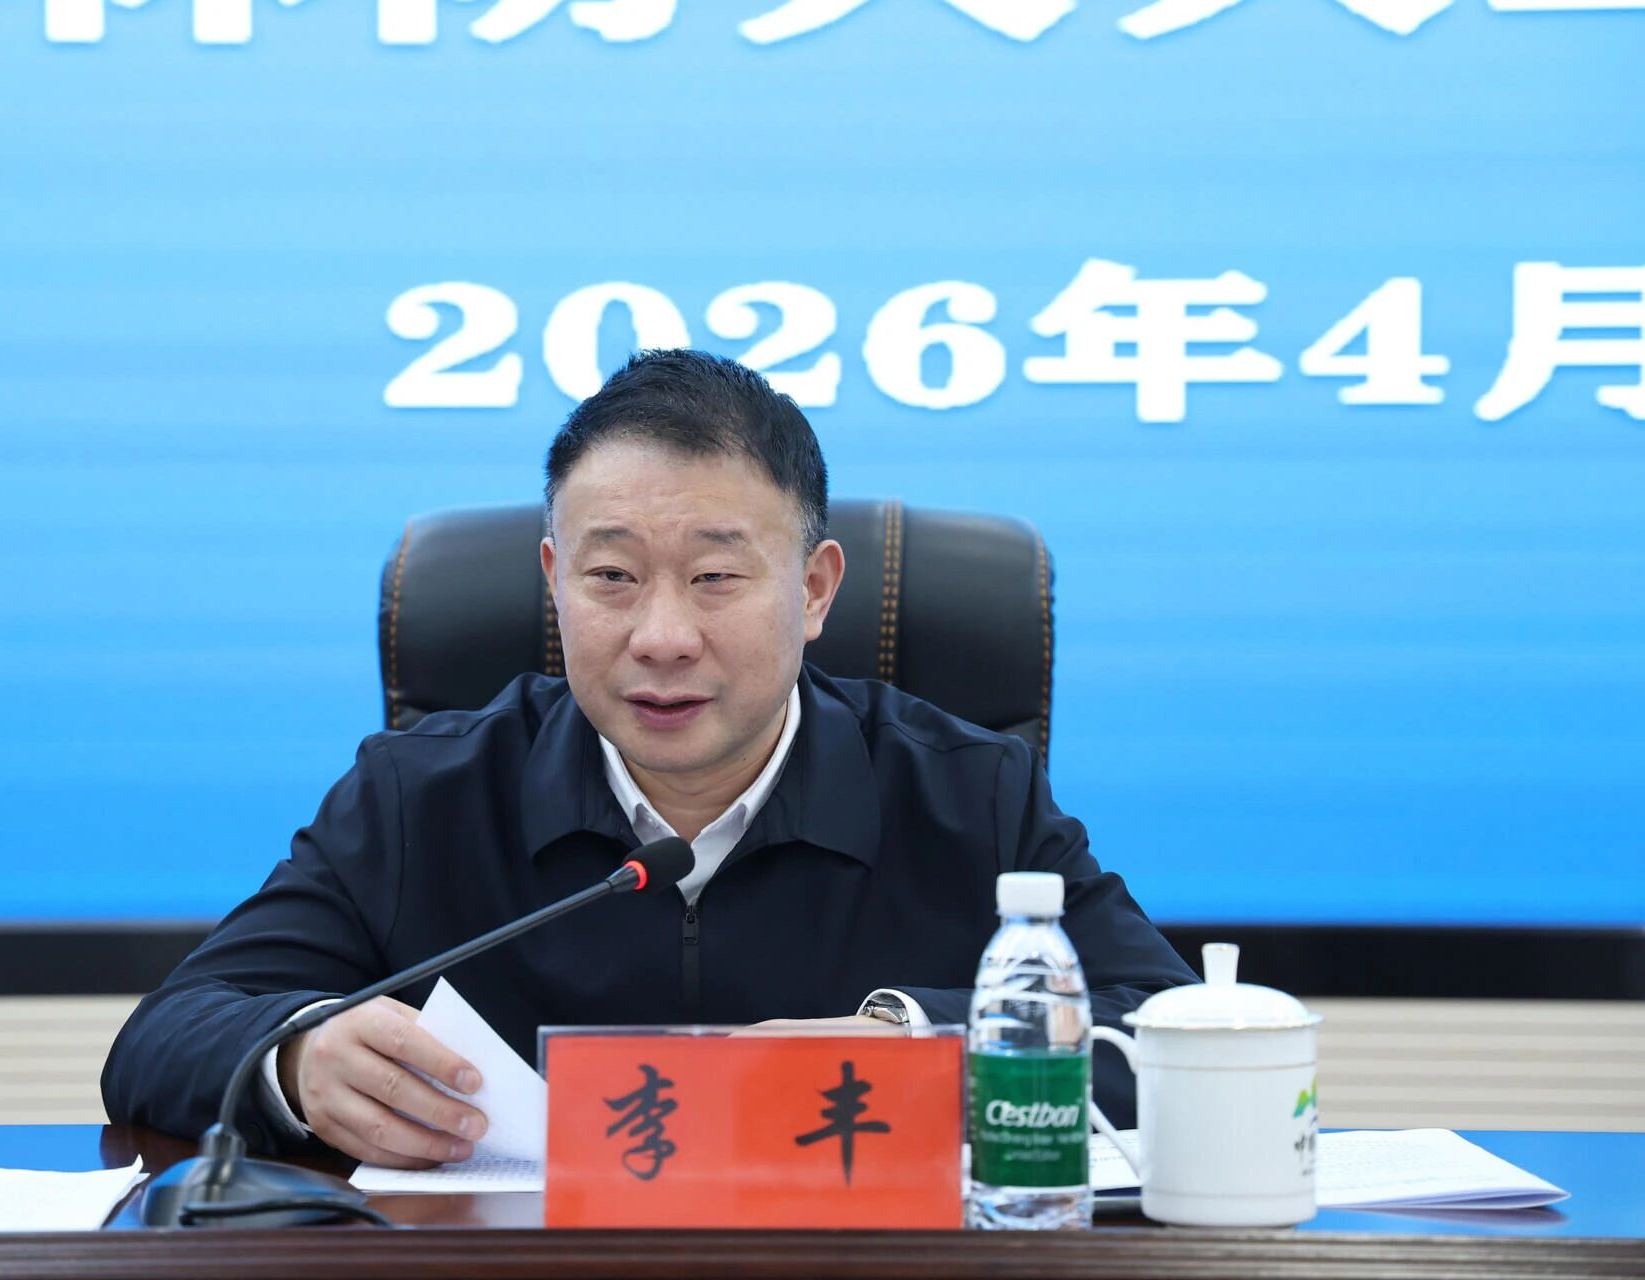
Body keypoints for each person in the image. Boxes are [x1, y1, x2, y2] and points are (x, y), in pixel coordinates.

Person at [101, 349, 1194, 1169]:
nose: (662, 636)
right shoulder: (420, 795)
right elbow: (167, 1034)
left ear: (815, 589)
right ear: (553, 581)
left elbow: (1169, 1040)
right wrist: (297, 1059)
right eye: (612, 578)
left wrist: (913, 1042)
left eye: (716, 578)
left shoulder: (966, 791)